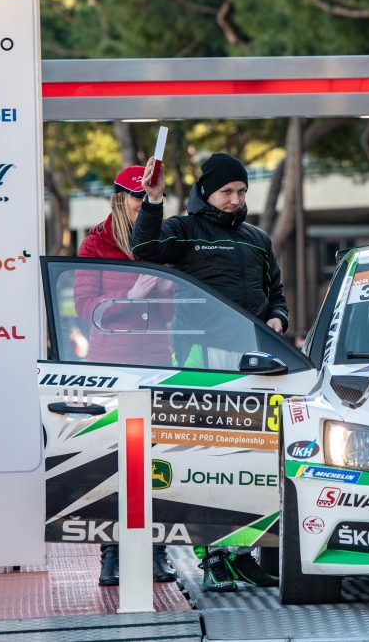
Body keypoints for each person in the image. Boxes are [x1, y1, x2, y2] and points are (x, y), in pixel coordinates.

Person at [132, 152, 284, 592]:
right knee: (206, 457)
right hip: (200, 357)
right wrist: (154, 202)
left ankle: (242, 554)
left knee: (253, 457)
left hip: (254, 358)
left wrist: (278, 320)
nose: (235, 199)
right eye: (226, 192)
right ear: (206, 193)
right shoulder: (182, 229)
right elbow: (144, 250)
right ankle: (213, 556)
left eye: (240, 191)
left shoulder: (258, 238)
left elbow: (277, 293)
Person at [73, 165, 176, 587]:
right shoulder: (95, 243)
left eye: (150, 198)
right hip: (111, 365)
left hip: (155, 360)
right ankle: (111, 553)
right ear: (120, 198)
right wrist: (128, 297)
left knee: (158, 459)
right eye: (138, 198)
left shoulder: (161, 240)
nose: (143, 205)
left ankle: (157, 549)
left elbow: (174, 315)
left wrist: (170, 294)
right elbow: (85, 309)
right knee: (112, 460)